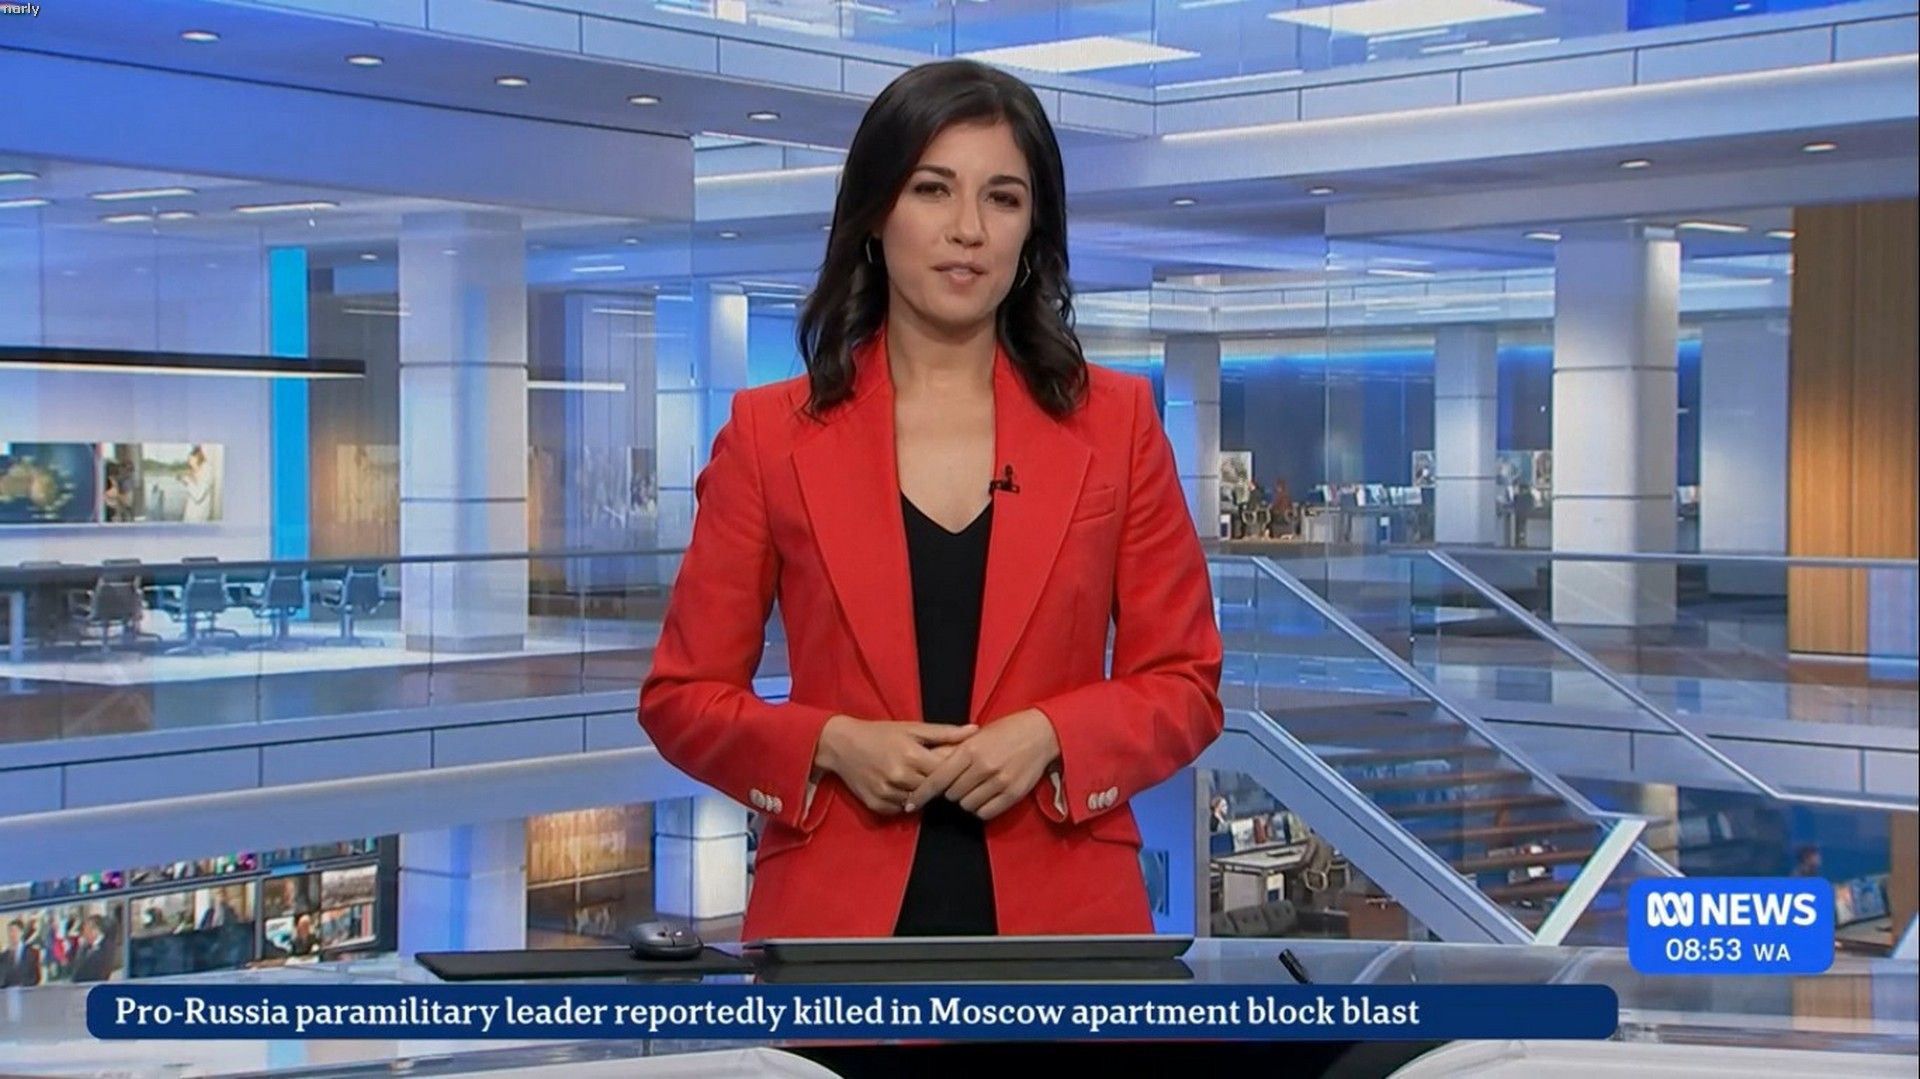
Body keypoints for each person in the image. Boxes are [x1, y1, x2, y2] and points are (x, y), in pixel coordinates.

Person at [639, 59, 1223, 941]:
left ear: (1033, 230)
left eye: (1002, 198)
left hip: (1067, 922)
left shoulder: (1118, 424)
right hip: (835, 924)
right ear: (876, 215)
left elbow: (1185, 683)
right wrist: (829, 743)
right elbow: (683, 696)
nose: (967, 230)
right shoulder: (770, 435)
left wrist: (1053, 734)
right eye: (932, 189)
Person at [2, 919, 41, 987]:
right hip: (8, 992)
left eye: (15, 931)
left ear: (21, 932)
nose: (12, 934)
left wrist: (23, 987)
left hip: (27, 991)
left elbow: (36, 977)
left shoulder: (32, 953)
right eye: (10, 931)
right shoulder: (3, 956)